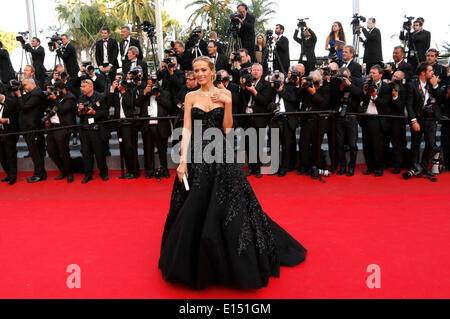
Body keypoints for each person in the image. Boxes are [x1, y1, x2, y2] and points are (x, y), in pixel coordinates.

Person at [159, 56, 306, 290]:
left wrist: (227, 103)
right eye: (196, 70)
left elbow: (227, 128)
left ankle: (232, 260)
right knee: (195, 203)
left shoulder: (225, 94)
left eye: (203, 69)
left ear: (212, 71)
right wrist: (182, 161)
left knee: (229, 205)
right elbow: (187, 128)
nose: (199, 74)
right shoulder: (190, 96)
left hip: (220, 154)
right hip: (197, 155)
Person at [406, 62, 442, 176]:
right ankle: (414, 167)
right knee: (415, 144)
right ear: (423, 72)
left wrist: (436, 86)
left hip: (431, 119)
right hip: (418, 118)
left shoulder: (432, 84)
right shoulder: (412, 85)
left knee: (431, 143)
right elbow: (409, 104)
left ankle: (424, 167)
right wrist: (413, 120)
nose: (433, 73)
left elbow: (441, 99)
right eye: (430, 71)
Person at [136, 77, 173, 179]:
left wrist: (158, 96)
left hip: (160, 126)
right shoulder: (143, 93)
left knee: (162, 150)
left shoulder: (164, 93)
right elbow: (137, 104)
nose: (151, 87)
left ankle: (164, 169)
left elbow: (170, 107)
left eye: (153, 84)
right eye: (149, 85)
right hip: (147, 126)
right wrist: (144, 92)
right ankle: (149, 170)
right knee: (148, 150)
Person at [14, 78, 47, 183]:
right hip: (29, 128)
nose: (24, 87)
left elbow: (24, 107)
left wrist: (19, 95)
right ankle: (40, 173)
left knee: (36, 153)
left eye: (25, 85)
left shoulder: (37, 95)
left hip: (34, 128)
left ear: (32, 83)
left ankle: (39, 174)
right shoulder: (31, 94)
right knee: (35, 153)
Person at [360, 65, 391, 177]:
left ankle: (379, 167)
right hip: (366, 117)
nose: (371, 75)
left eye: (374, 73)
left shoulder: (386, 87)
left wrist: (375, 96)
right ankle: (370, 167)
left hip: (378, 119)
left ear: (380, 74)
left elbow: (385, 103)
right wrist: (364, 92)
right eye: (370, 72)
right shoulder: (367, 85)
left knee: (377, 145)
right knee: (366, 144)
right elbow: (362, 100)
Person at [77, 79, 109, 183]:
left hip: (97, 130)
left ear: (91, 86)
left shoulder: (100, 97)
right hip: (85, 129)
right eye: (81, 87)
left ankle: (103, 173)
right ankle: (88, 174)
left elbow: (106, 113)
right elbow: (78, 115)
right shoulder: (81, 98)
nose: (82, 89)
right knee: (86, 154)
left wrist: (94, 112)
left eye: (84, 86)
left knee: (100, 154)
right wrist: (79, 110)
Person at [44, 80, 76, 183]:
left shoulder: (70, 98)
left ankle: (70, 173)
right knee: (51, 151)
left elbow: (62, 109)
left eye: (57, 90)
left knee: (64, 153)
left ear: (64, 89)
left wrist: (55, 98)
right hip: (51, 128)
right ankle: (63, 171)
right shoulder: (55, 97)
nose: (56, 92)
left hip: (62, 128)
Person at [0, 92, 19, 185]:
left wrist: (7, 120)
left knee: (10, 155)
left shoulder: (12, 102)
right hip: (0, 133)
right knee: (2, 156)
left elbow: (18, 117)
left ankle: (13, 176)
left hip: (10, 132)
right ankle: (8, 174)